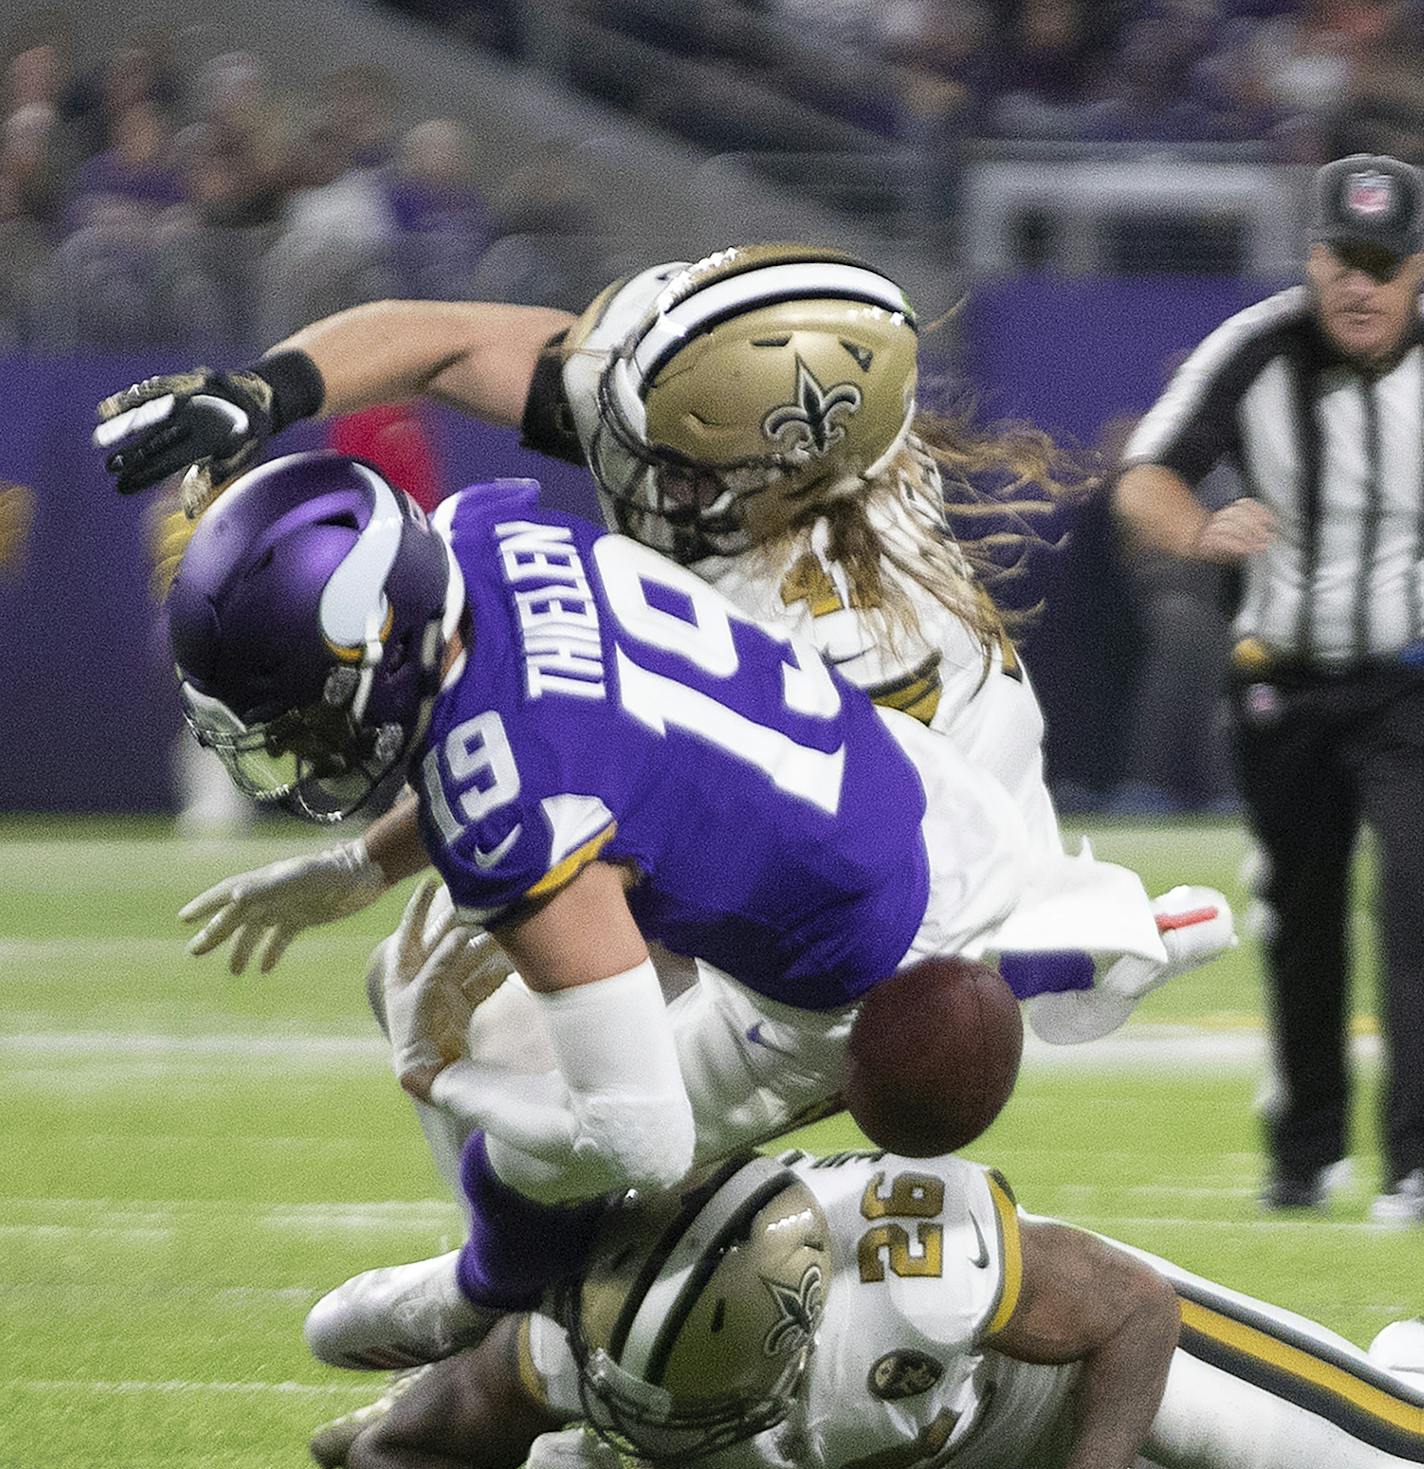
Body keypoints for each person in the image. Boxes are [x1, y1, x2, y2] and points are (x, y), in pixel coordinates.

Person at [150, 444, 1223, 1377]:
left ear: (377, 641)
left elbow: (638, 1133)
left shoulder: (512, 799)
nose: (294, 739)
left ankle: (490, 1299)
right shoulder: (484, 536)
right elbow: (539, 725)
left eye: (299, 708)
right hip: (902, 789)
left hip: (840, 965)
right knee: (498, 961)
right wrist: (363, 865)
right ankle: (1101, 937)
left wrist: (445, 1077)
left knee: (526, 1146)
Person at [92, 244, 1227, 1045]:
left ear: (792, 469)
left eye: (679, 463)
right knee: (441, 970)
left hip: (905, 879)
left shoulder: (827, 625)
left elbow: (597, 781)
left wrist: (383, 868)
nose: (629, 464)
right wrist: (261, 389)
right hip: (780, 789)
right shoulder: (702, 399)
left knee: (509, 1021)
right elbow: (443, 342)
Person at [310, 1145, 1424, 1469]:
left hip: (1092, 1385)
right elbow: (384, 1465)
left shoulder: (913, 1268)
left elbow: (1133, 1307)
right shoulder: (566, 1343)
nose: (668, 1437)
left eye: (695, 1404)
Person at [1113, 154, 1424, 1224]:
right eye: (1345, 259)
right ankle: (1304, 1157)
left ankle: (1416, 1163)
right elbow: (1144, 474)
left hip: (1407, 686)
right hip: (1280, 682)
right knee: (1300, 921)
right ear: (1312, 257)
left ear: (1416, 268)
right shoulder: (1252, 349)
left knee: (1418, 907)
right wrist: (1195, 530)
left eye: (1383, 265)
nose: (1361, 287)